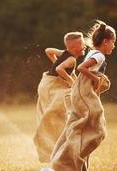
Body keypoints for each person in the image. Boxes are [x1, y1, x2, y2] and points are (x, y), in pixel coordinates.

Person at [51, 20, 116, 171]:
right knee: (97, 129)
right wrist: (95, 79)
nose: (114, 46)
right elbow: (81, 68)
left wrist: (97, 80)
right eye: (113, 43)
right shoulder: (99, 55)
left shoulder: (94, 53)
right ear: (106, 41)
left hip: (81, 92)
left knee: (80, 127)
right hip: (84, 93)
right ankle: (66, 161)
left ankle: (73, 168)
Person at [33, 32, 86, 163]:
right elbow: (60, 70)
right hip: (52, 86)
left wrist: (55, 61)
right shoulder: (72, 59)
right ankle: (55, 148)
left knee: (49, 115)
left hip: (44, 86)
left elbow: (48, 50)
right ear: (74, 48)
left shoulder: (64, 53)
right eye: (82, 44)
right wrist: (70, 81)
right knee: (55, 117)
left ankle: (51, 148)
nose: (84, 46)